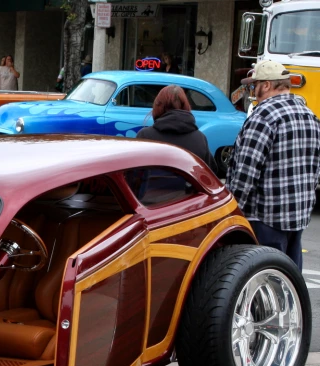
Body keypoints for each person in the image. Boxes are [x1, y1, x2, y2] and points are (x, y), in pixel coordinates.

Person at [227, 60, 320, 269]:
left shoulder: (264, 116)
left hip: (265, 217)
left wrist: (232, 211)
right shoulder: (310, 116)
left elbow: (246, 173)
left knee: (263, 279)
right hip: (298, 216)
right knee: (289, 279)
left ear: (267, 85)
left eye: (254, 84)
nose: (252, 89)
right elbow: (315, 168)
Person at [136, 85, 217, 171]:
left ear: (158, 106)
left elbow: (133, 174)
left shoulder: (145, 136)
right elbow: (211, 174)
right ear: (186, 106)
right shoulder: (200, 139)